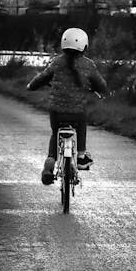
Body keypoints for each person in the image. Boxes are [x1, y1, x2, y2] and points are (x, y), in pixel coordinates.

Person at [27, 27, 107, 185]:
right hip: (77, 113)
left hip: (57, 112)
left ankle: (49, 165)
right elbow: (101, 85)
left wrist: (31, 86)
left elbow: (43, 78)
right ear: (84, 46)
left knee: (56, 133)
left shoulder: (57, 62)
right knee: (81, 126)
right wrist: (101, 90)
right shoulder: (89, 64)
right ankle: (81, 155)